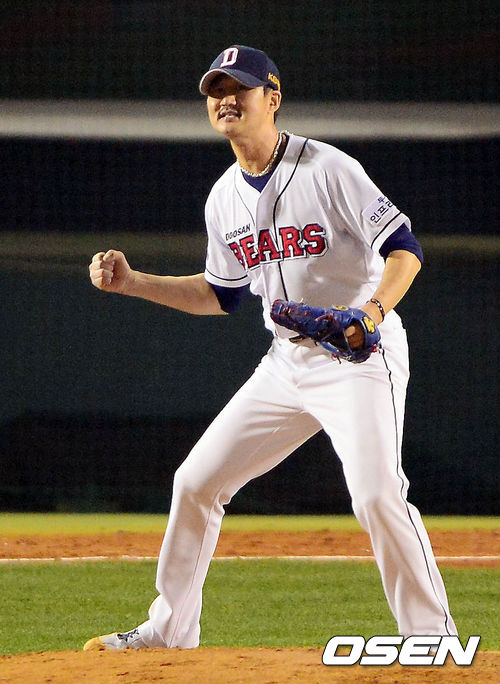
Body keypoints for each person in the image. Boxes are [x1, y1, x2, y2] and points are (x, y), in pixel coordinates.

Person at [84, 45, 457, 651]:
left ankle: (432, 639)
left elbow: (405, 250)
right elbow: (221, 295)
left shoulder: (328, 168)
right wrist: (134, 283)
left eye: (240, 87)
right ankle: (170, 631)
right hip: (286, 363)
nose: (226, 99)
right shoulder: (222, 198)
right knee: (195, 482)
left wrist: (371, 312)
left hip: (359, 357)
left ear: (273, 98)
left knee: (376, 494)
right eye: (216, 90)